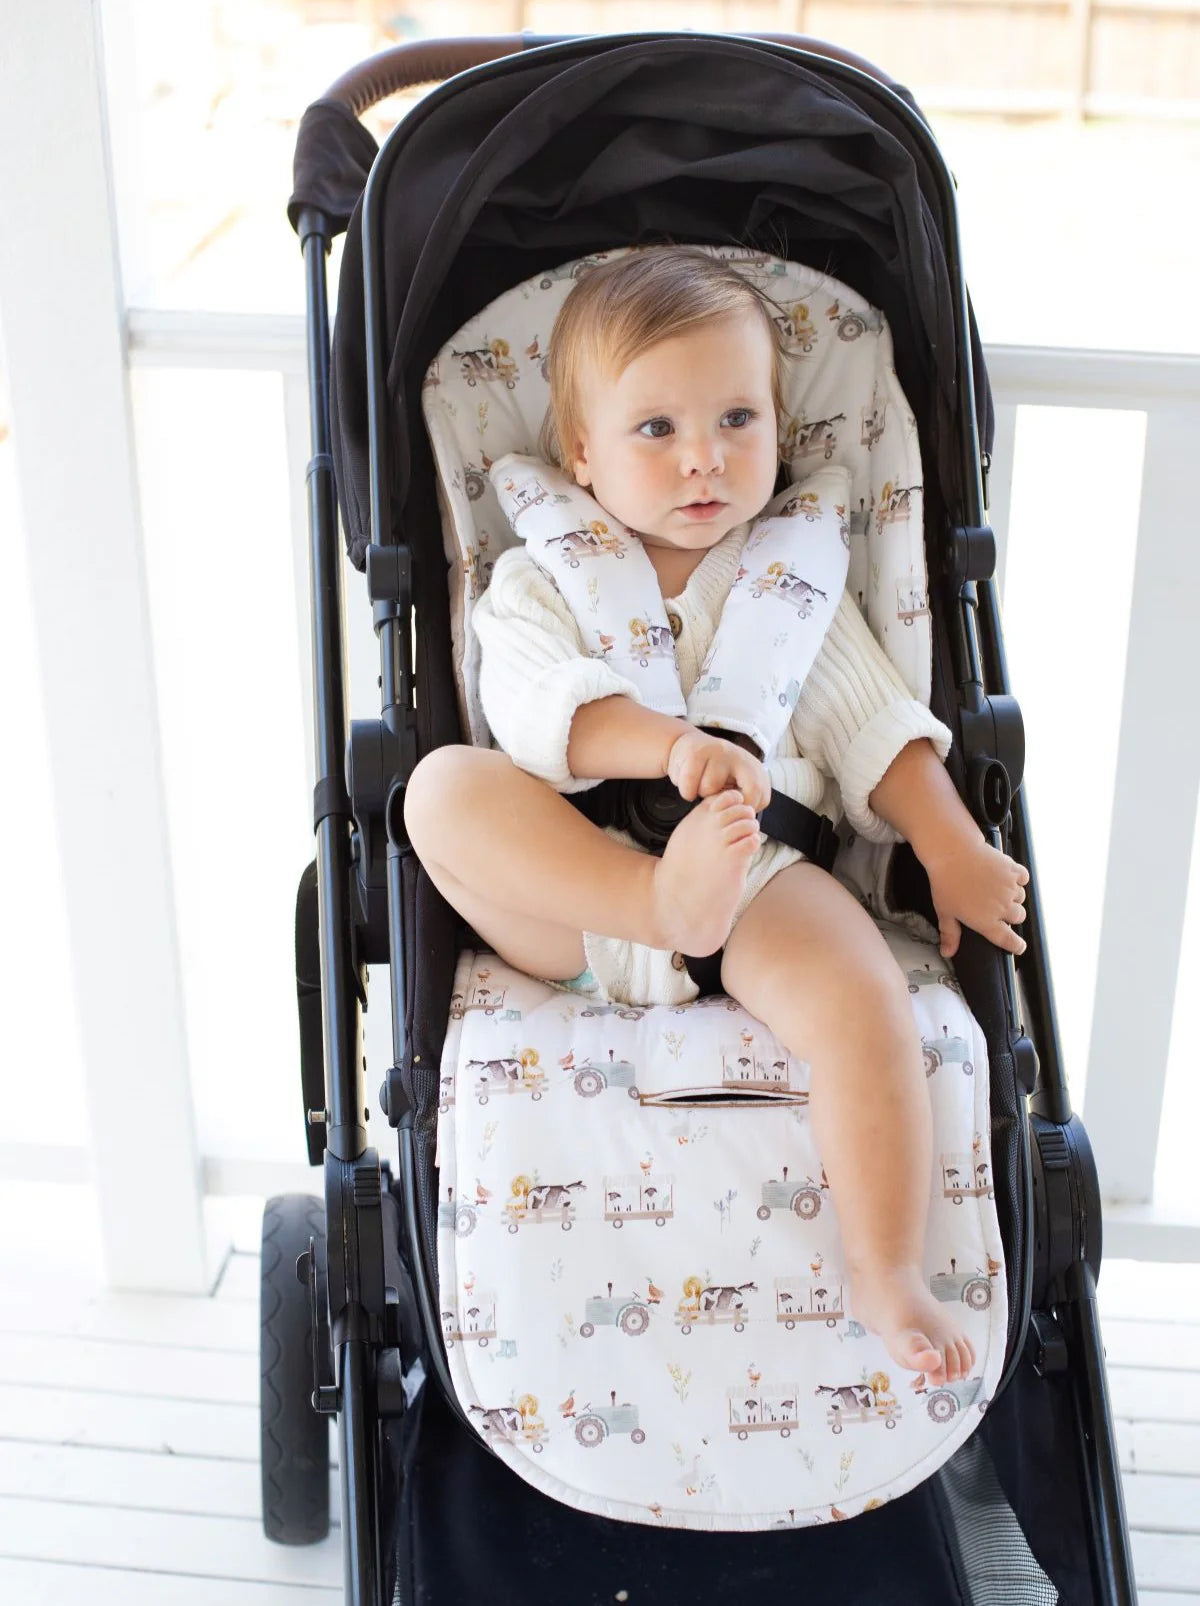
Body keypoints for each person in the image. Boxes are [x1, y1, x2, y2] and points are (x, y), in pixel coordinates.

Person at [404, 247, 1029, 1388]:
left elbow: (873, 725)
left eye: (738, 418)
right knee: (440, 789)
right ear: (580, 453)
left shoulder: (789, 581)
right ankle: (657, 897)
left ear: (779, 428)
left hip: (758, 880)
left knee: (864, 1003)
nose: (705, 456)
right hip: (588, 888)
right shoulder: (541, 579)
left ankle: (887, 1267)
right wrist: (665, 749)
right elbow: (534, 708)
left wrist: (948, 844)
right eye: (657, 429)